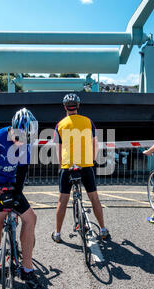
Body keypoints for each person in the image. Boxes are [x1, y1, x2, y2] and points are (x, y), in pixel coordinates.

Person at [0, 107, 43, 289]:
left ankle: (27, 269)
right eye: (19, 138)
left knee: (30, 218)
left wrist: (17, 193)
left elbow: (22, 170)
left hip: (12, 181)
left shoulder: (26, 143)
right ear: (13, 129)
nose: (22, 143)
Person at [51, 93, 109, 243]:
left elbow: (58, 148)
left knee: (62, 201)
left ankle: (57, 233)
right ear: (78, 106)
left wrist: (61, 164)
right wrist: (93, 160)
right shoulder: (88, 122)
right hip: (86, 165)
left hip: (67, 166)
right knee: (94, 198)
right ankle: (102, 229)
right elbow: (95, 143)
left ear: (65, 107)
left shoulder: (60, 124)